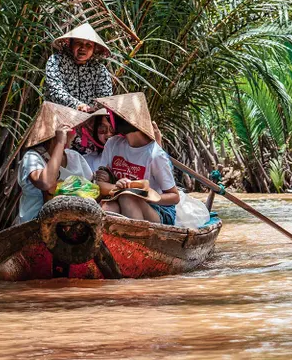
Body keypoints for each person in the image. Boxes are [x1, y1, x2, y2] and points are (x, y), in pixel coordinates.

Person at [94, 93, 180, 225]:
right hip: (120, 198)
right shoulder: (112, 144)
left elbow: (174, 197)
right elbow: (100, 184)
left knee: (127, 197)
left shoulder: (155, 155)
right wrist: (117, 187)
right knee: (108, 207)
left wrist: (145, 195)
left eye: (113, 115)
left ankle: (138, 241)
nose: (110, 119)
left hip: (158, 210)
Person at [16, 102, 93, 223]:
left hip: (75, 222)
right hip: (36, 223)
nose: (75, 134)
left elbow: (91, 188)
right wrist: (60, 142)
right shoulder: (32, 157)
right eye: (72, 130)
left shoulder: (75, 156)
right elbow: (46, 183)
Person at [45, 22, 113, 113]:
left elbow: (105, 99)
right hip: (59, 116)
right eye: (78, 43)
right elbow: (55, 90)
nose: (83, 48)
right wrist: (78, 106)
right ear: (70, 44)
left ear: (94, 49)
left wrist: (99, 115)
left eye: (88, 45)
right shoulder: (56, 61)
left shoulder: (99, 70)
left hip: (89, 120)